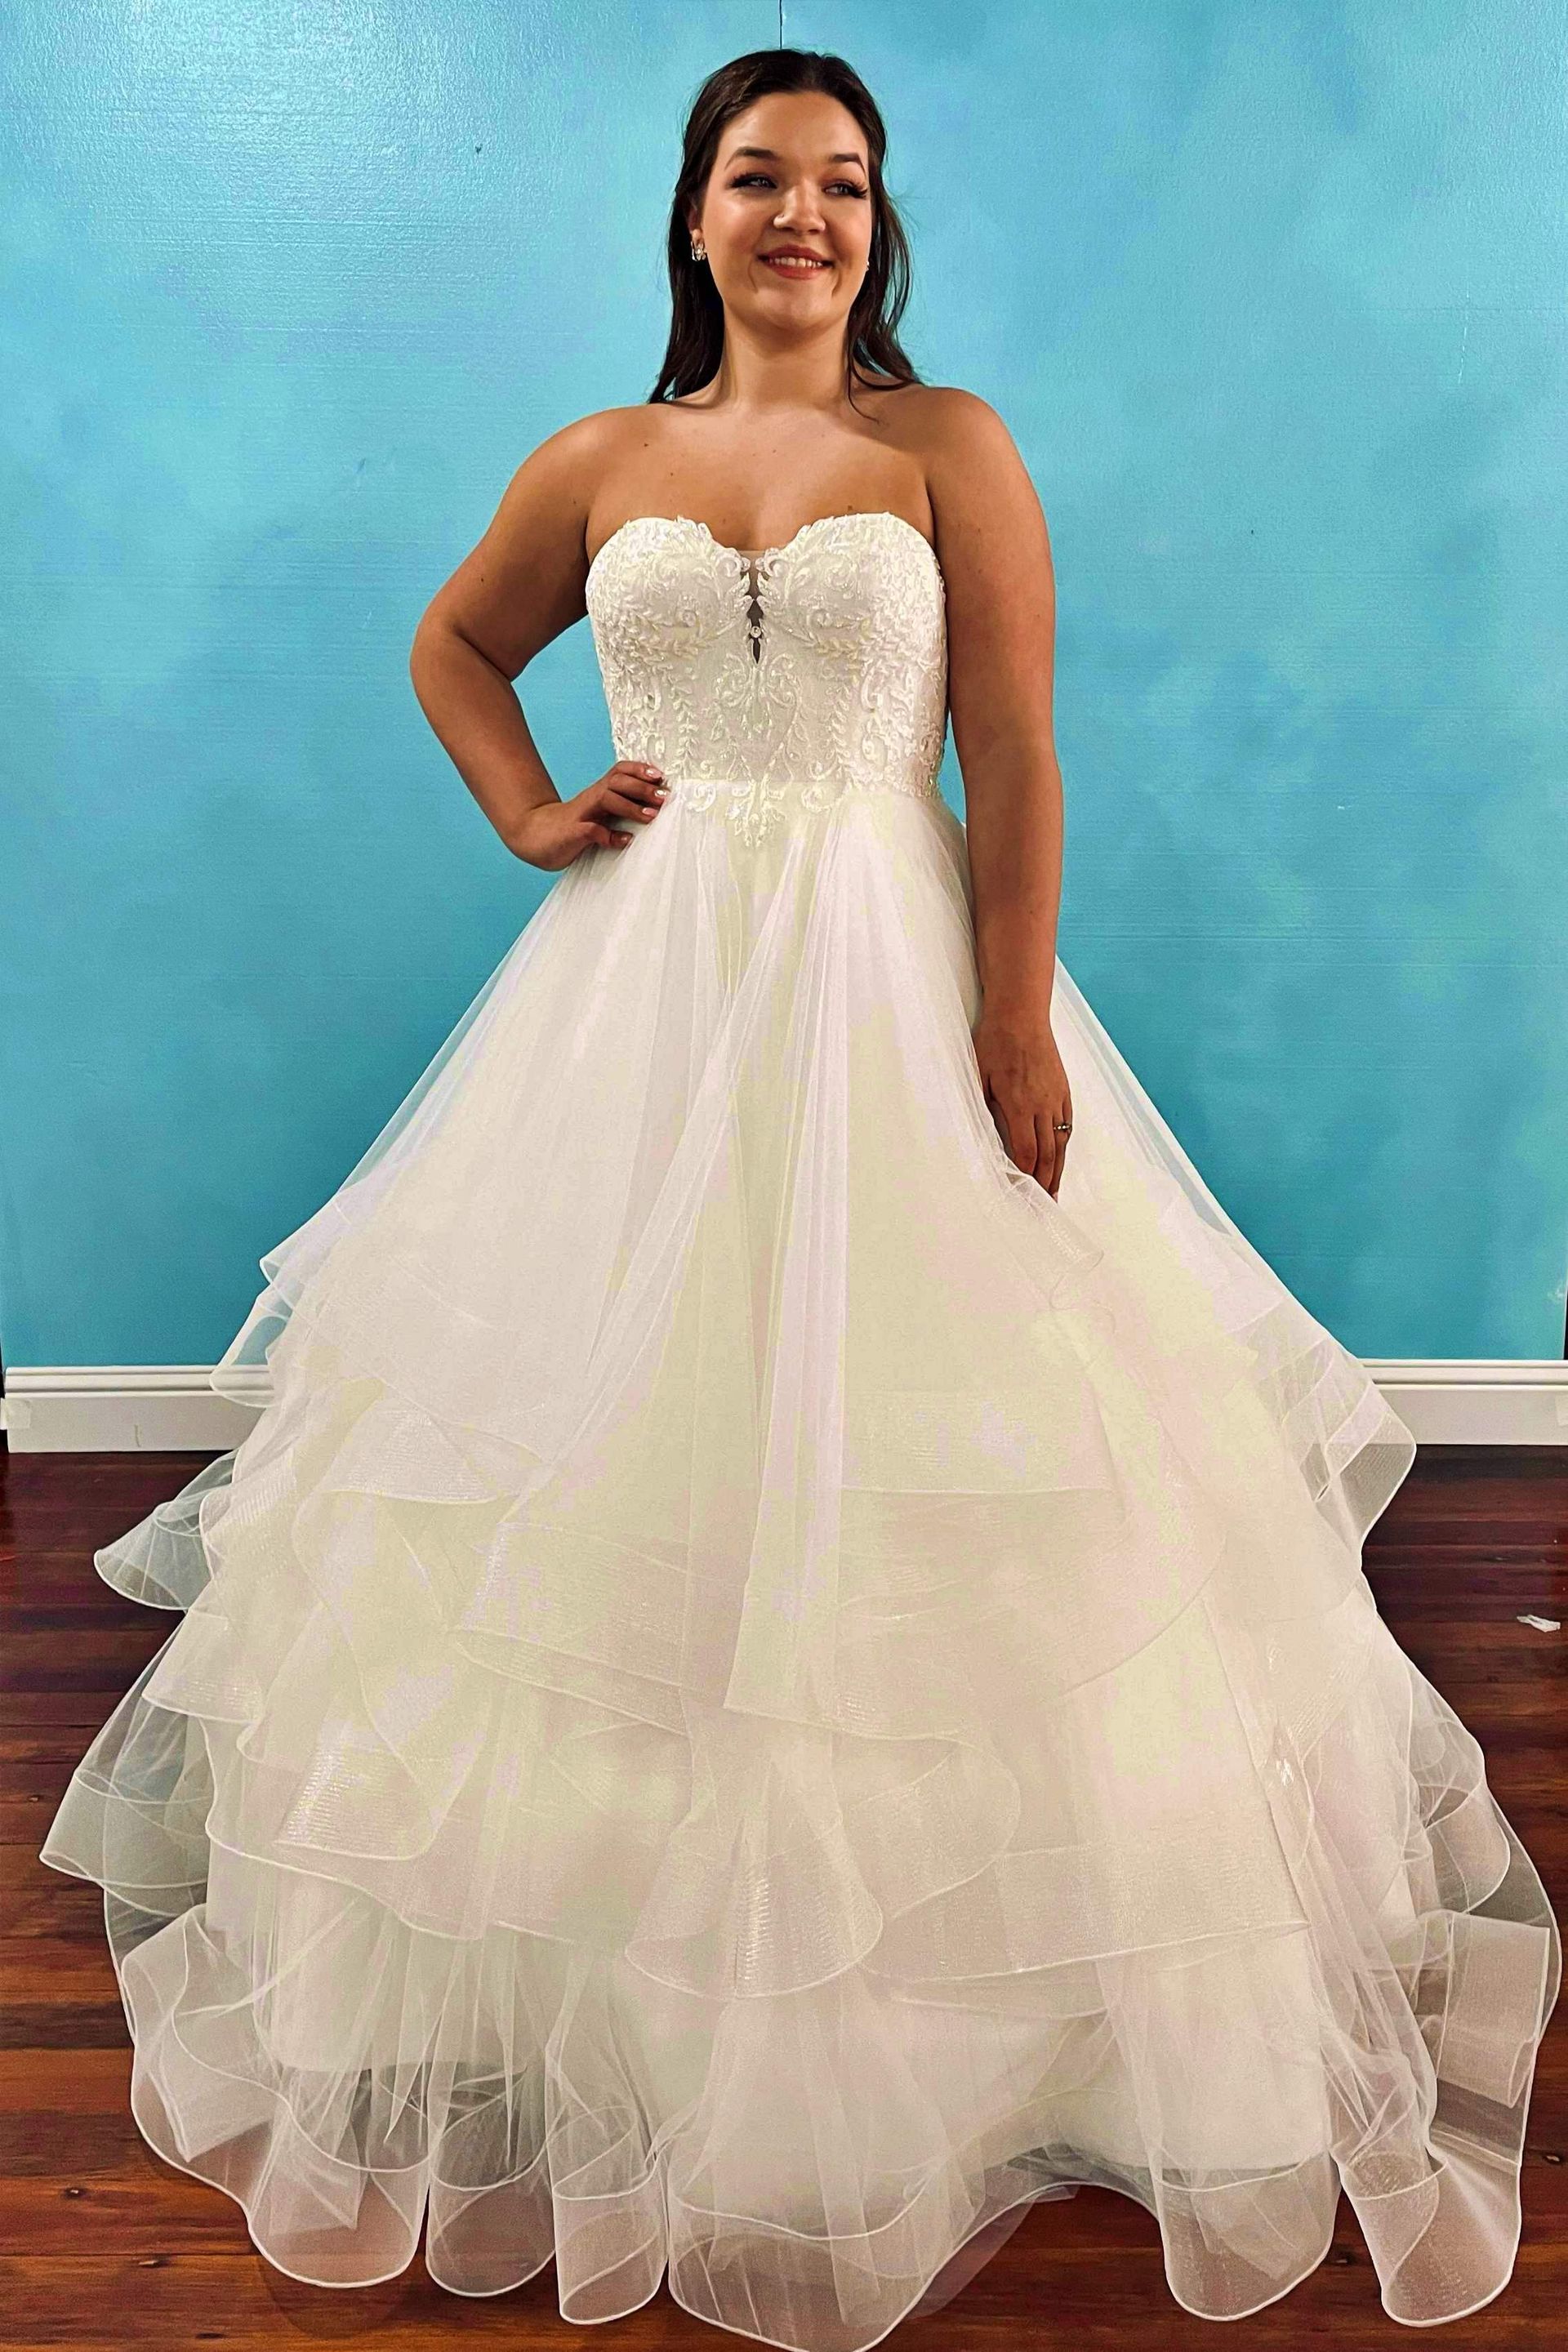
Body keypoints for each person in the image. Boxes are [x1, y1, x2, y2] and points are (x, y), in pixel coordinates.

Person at [41, 44, 1559, 2350]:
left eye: (842, 184)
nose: (803, 217)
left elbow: (1020, 744)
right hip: (634, 1008)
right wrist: (528, 810)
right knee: (603, 1445)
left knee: (941, 1444)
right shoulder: (603, 458)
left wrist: (1016, 1019)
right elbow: (456, 643)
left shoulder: (947, 451)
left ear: (879, 223)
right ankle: (619, 1979)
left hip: (889, 965)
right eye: (762, 176)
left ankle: (957, 1988)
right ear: (693, 212)